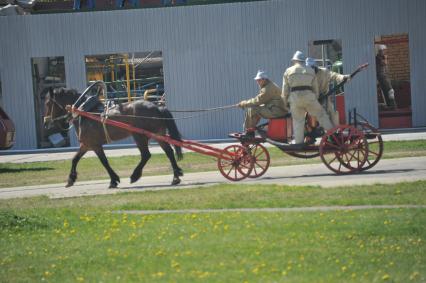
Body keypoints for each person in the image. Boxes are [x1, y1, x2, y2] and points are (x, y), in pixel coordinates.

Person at [282, 51, 333, 145]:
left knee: (298, 121)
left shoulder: (288, 71)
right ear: (302, 60)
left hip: (294, 98)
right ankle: (333, 135)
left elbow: (285, 90)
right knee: (321, 114)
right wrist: (315, 99)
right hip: (309, 97)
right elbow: (315, 88)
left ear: (294, 60)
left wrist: (285, 102)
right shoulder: (310, 71)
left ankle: (298, 143)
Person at [238, 70, 288, 137]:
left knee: (252, 109)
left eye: (259, 80)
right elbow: (260, 101)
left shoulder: (267, 89)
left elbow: (257, 101)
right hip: (278, 110)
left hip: (277, 111)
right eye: (257, 80)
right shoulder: (270, 85)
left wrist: (244, 103)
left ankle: (249, 132)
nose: (257, 82)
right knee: (256, 108)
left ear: (264, 79)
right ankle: (250, 130)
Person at [305, 57, 351, 126]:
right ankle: (311, 131)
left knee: (332, 113)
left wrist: (342, 77)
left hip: (324, 98)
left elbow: (334, 75)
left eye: (311, 68)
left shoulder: (324, 72)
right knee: (307, 117)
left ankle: (334, 132)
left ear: (314, 67)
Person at [376, 44, 397, 109]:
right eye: (384, 50)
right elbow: (384, 63)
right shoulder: (378, 58)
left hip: (383, 76)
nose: (385, 52)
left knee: (386, 91)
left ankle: (389, 105)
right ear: (380, 51)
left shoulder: (380, 57)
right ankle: (393, 106)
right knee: (390, 91)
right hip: (382, 76)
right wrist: (385, 58)